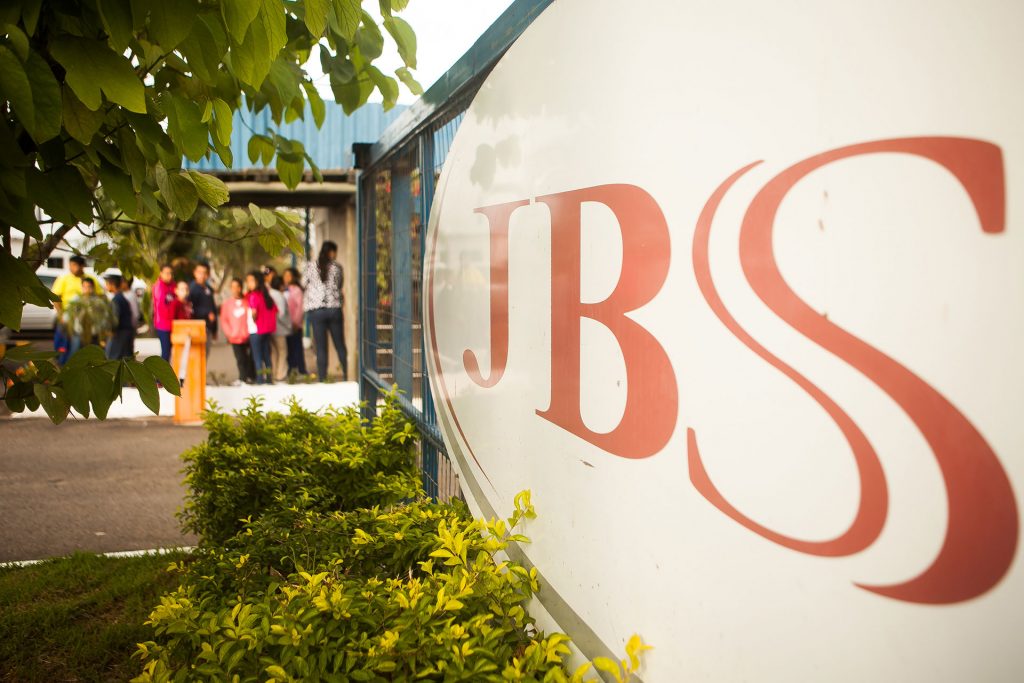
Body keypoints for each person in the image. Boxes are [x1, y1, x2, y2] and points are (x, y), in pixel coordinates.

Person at [302, 241, 348, 381]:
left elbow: (303, 283)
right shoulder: (337, 267)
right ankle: (347, 375)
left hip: (316, 311)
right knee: (339, 344)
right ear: (332, 252)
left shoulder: (310, 266)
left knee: (321, 347)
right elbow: (339, 284)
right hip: (334, 309)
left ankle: (322, 378)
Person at [51, 255, 101, 365]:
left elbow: (100, 296)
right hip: (67, 318)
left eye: (74, 265)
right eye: (71, 265)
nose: (71, 268)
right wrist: (61, 315)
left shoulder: (90, 279)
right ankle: (62, 364)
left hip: (86, 322)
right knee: (64, 345)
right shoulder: (63, 278)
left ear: (82, 266)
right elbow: (55, 298)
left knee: (83, 346)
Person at [62, 278, 114, 360]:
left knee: (94, 358)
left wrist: (104, 329)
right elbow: (66, 316)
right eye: (84, 287)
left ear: (93, 287)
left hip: (94, 335)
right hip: (79, 333)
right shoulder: (76, 299)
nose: (86, 289)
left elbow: (105, 317)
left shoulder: (98, 301)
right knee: (75, 356)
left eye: (89, 286)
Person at [220, 278, 255, 384]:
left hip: (247, 336)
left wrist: (249, 332)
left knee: (249, 358)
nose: (235, 289)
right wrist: (229, 333)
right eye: (233, 287)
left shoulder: (247, 302)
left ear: (241, 288)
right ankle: (242, 378)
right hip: (235, 337)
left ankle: (250, 376)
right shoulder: (227, 304)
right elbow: (224, 320)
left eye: (237, 287)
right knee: (240, 358)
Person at [245, 271, 277, 384]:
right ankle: (269, 378)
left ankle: (260, 379)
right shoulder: (266, 295)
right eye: (247, 281)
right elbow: (275, 311)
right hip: (267, 330)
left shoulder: (253, 296)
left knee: (257, 357)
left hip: (256, 330)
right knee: (266, 355)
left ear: (257, 282)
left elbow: (254, 312)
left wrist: (254, 319)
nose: (248, 283)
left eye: (251, 281)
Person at [282, 267, 307, 376]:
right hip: (285, 325)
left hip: (295, 325)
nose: (286, 278)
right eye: (285, 275)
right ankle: (291, 369)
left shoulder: (297, 290)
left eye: (289, 275)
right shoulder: (283, 290)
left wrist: (296, 322)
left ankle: (301, 369)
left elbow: (300, 307)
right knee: (288, 348)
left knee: (297, 347)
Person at [103, 274, 135, 359]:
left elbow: (115, 319)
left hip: (120, 333)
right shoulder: (121, 298)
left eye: (107, 284)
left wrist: (110, 330)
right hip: (126, 332)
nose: (106, 286)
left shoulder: (116, 300)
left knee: (112, 358)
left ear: (112, 285)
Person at [187, 261, 217, 344]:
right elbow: (190, 309)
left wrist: (215, 329)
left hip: (208, 327)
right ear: (195, 273)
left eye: (205, 273)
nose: (202, 275)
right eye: (199, 272)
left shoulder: (208, 289)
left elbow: (213, 308)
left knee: (206, 351)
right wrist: (206, 313)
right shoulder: (192, 289)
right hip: (197, 327)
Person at [152, 265, 177, 361]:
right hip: (163, 325)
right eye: (167, 273)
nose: (169, 276)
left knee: (170, 352)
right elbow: (162, 307)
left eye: (171, 273)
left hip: (173, 324)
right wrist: (175, 303)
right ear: (161, 274)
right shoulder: (159, 287)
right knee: (165, 353)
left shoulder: (174, 285)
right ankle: (161, 371)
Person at [268, 275, 289, 381]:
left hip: (270, 328)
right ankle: (280, 374)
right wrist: (288, 325)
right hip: (279, 329)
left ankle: (273, 374)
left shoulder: (269, 293)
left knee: (274, 352)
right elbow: (281, 314)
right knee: (282, 351)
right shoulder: (279, 296)